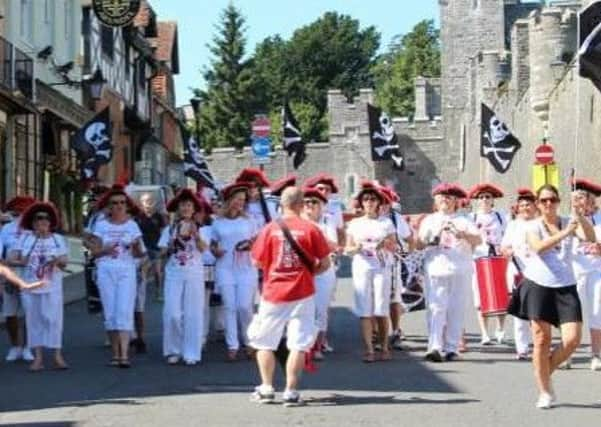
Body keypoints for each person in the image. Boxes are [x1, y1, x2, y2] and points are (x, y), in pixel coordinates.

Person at [508, 184, 595, 409]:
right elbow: (538, 248)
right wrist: (566, 233)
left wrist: (580, 216)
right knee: (541, 339)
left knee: (572, 339)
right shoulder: (532, 226)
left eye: (552, 200)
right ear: (538, 204)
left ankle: (544, 369)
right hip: (538, 285)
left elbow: (590, 237)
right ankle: (545, 391)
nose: (548, 204)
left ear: (558, 202)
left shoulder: (568, 221)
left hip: (565, 286)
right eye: (544, 200)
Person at [248, 186, 331, 406]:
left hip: (274, 292)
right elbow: (325, 263)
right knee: (298, 343)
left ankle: (266, 388)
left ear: (281, 205)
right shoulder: (311, 229)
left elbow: (256, 261)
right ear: (301, 204)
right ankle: (291, 391)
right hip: (302, 292)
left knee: (264, 341)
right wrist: (308, 273)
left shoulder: (269, 229)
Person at [417, 183, 481, 362]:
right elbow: (418, 244)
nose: (445, 200)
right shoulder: (429, 220)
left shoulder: (464, 220)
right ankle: (435, 346)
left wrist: (463, 235)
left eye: (449, 197)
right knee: (436, 308)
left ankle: (452, 348)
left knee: (456, 309)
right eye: (441, 197)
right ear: (436, 201)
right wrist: (432, 238)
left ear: (455, 201)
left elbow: (478, 239)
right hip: (436, 269)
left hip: (460, 270)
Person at [89, 185, 146, 368]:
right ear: (109, 206)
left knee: (124, 310)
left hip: (126, 270)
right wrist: (106, 249)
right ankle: (115, 353)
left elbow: (139, 254)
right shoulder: (101, 225)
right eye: (115, 203)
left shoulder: (132, 225)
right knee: (111, 311)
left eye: (122, 202)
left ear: (127, 206)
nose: (119, 206)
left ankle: (124, 354)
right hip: (106, 270)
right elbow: (95, 252)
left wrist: (135, 245)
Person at [9, 202, 68, 371]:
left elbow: (64, 262)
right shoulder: (25, 238)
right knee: (34, 320)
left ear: (51, 222)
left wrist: (56, 261)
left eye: (46, 219)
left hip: (52, 285)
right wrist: (21, 261)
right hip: (31, 285)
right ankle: (38, 358)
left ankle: (57, 356)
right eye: (38, 219)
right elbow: (12, 258)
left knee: (53, 320)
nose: (42, 222)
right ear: (32, 222)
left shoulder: (57, 239)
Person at [344, 182, 397, 363]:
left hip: (381, 266)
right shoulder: (355, 223)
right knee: (364, 309)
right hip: (362, 266)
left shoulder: (386, 222)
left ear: (378, 202)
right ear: (361, 203)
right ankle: (368, 349)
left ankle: (383, 346)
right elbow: (348, 249)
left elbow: (394, 246)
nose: (369, 202)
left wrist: (385, 244)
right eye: (365, 199)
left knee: (381, 307)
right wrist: (356, 248)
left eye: (372, 199)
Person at [159, 189, 208, 365]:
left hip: (194, 273)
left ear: (194, 208)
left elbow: (203, 249)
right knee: (172, 313)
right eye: (183, 205)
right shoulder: (170, 228)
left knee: (193, 313)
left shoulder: (202, 228)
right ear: (178, 209)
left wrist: (195, 236)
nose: (186, 208)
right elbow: (163, 251)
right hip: (174, 273)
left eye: (189, 205)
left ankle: (191, 352)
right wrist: (172, 243)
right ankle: (173, 349)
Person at [211, 181, 259, 361]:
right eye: (237, 199)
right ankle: (232, 345)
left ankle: (249, 341)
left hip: (246, 268)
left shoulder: (249, 221)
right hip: (225, 268)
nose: (240, 202)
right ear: (229, 200)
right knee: (229, 306)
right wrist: (216, 251)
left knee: (244, 306)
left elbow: (257, 241)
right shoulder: (218, 222)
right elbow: (213, 245)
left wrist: (249, 245)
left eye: (243, 199)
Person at [467, 183, 508, 346]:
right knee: (480, 296)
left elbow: (507, 234)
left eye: (487, 197)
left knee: (501, 293)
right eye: (481, 197)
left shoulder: (500, 216)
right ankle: (484, 333)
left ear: (493, 201)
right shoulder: (472, 218)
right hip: (479, 259)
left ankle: (500, 328)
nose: (484, 199)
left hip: (497, 258)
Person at [500, 188, 538, 360]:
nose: (525, 208)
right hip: (517, 271)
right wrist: (507, 251)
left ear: (535, 206)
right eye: (522, 205)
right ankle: (522, 348)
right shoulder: (513, 225)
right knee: (520, 311)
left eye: (528, 205)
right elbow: (504, 247)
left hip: (538, 272)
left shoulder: (540, 223)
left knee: (538, 312)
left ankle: (539, 345)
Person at [301, 187, 338, 360]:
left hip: (323, 268)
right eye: (306, 202)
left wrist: (315, 239)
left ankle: (318, 344)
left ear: (321, 205)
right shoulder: (298, 221)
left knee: (321, 308)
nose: (310, 205)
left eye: (314, 202)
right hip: (303, 269)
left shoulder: (327, 221)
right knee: (304, 308)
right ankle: (304, 344)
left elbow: (333, 245)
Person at [570, 179, 601, 371]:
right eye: (577, 197)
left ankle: (596, 353)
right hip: (574, 272)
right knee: (573, 314)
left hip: (597, 271)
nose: (581, 202)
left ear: (592, 200)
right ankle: (569, 352)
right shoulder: (569, 219)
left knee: (596, 312)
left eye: (583, 197)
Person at [1, 195, 37, 363]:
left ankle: (29, 346)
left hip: (30, 274)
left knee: (30, 311)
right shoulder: (7, 228)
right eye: (18, 211)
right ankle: (15, 345)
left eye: (25, 211)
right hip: (10, 273)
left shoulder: (36, 228)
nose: (21, 214)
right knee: (10, 312)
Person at [378, 185, 414, 350]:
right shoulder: (366, 218)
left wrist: (408, 255)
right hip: (372, 266)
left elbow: (409, 238)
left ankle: (396, 330)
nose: (383, 205)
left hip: (393, 264)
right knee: (375, 301)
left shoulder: (395, 218)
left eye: (386, 202)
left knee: (394, 299)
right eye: (380, 201)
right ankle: (377, 334)